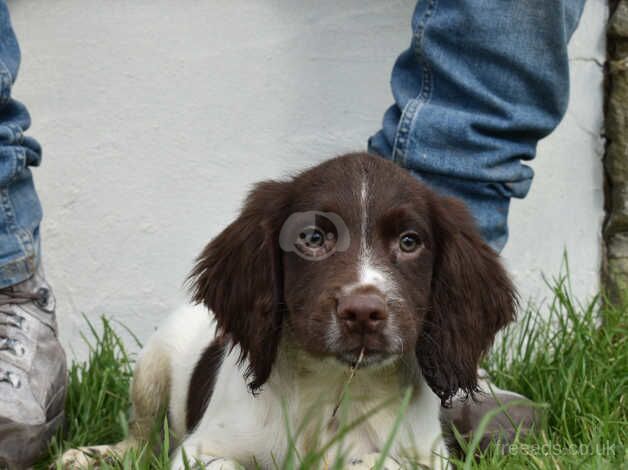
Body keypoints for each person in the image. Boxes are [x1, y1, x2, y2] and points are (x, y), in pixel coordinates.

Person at [0, 0, 587, 467]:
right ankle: (132, 440)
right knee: (180, 334)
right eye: (313, 240)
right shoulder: (241, 371)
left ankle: (453, 373)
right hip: (256, 389)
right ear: (271, 267)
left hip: (411, 375)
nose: (363, 294)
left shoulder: (447, 272)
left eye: (407, 242)